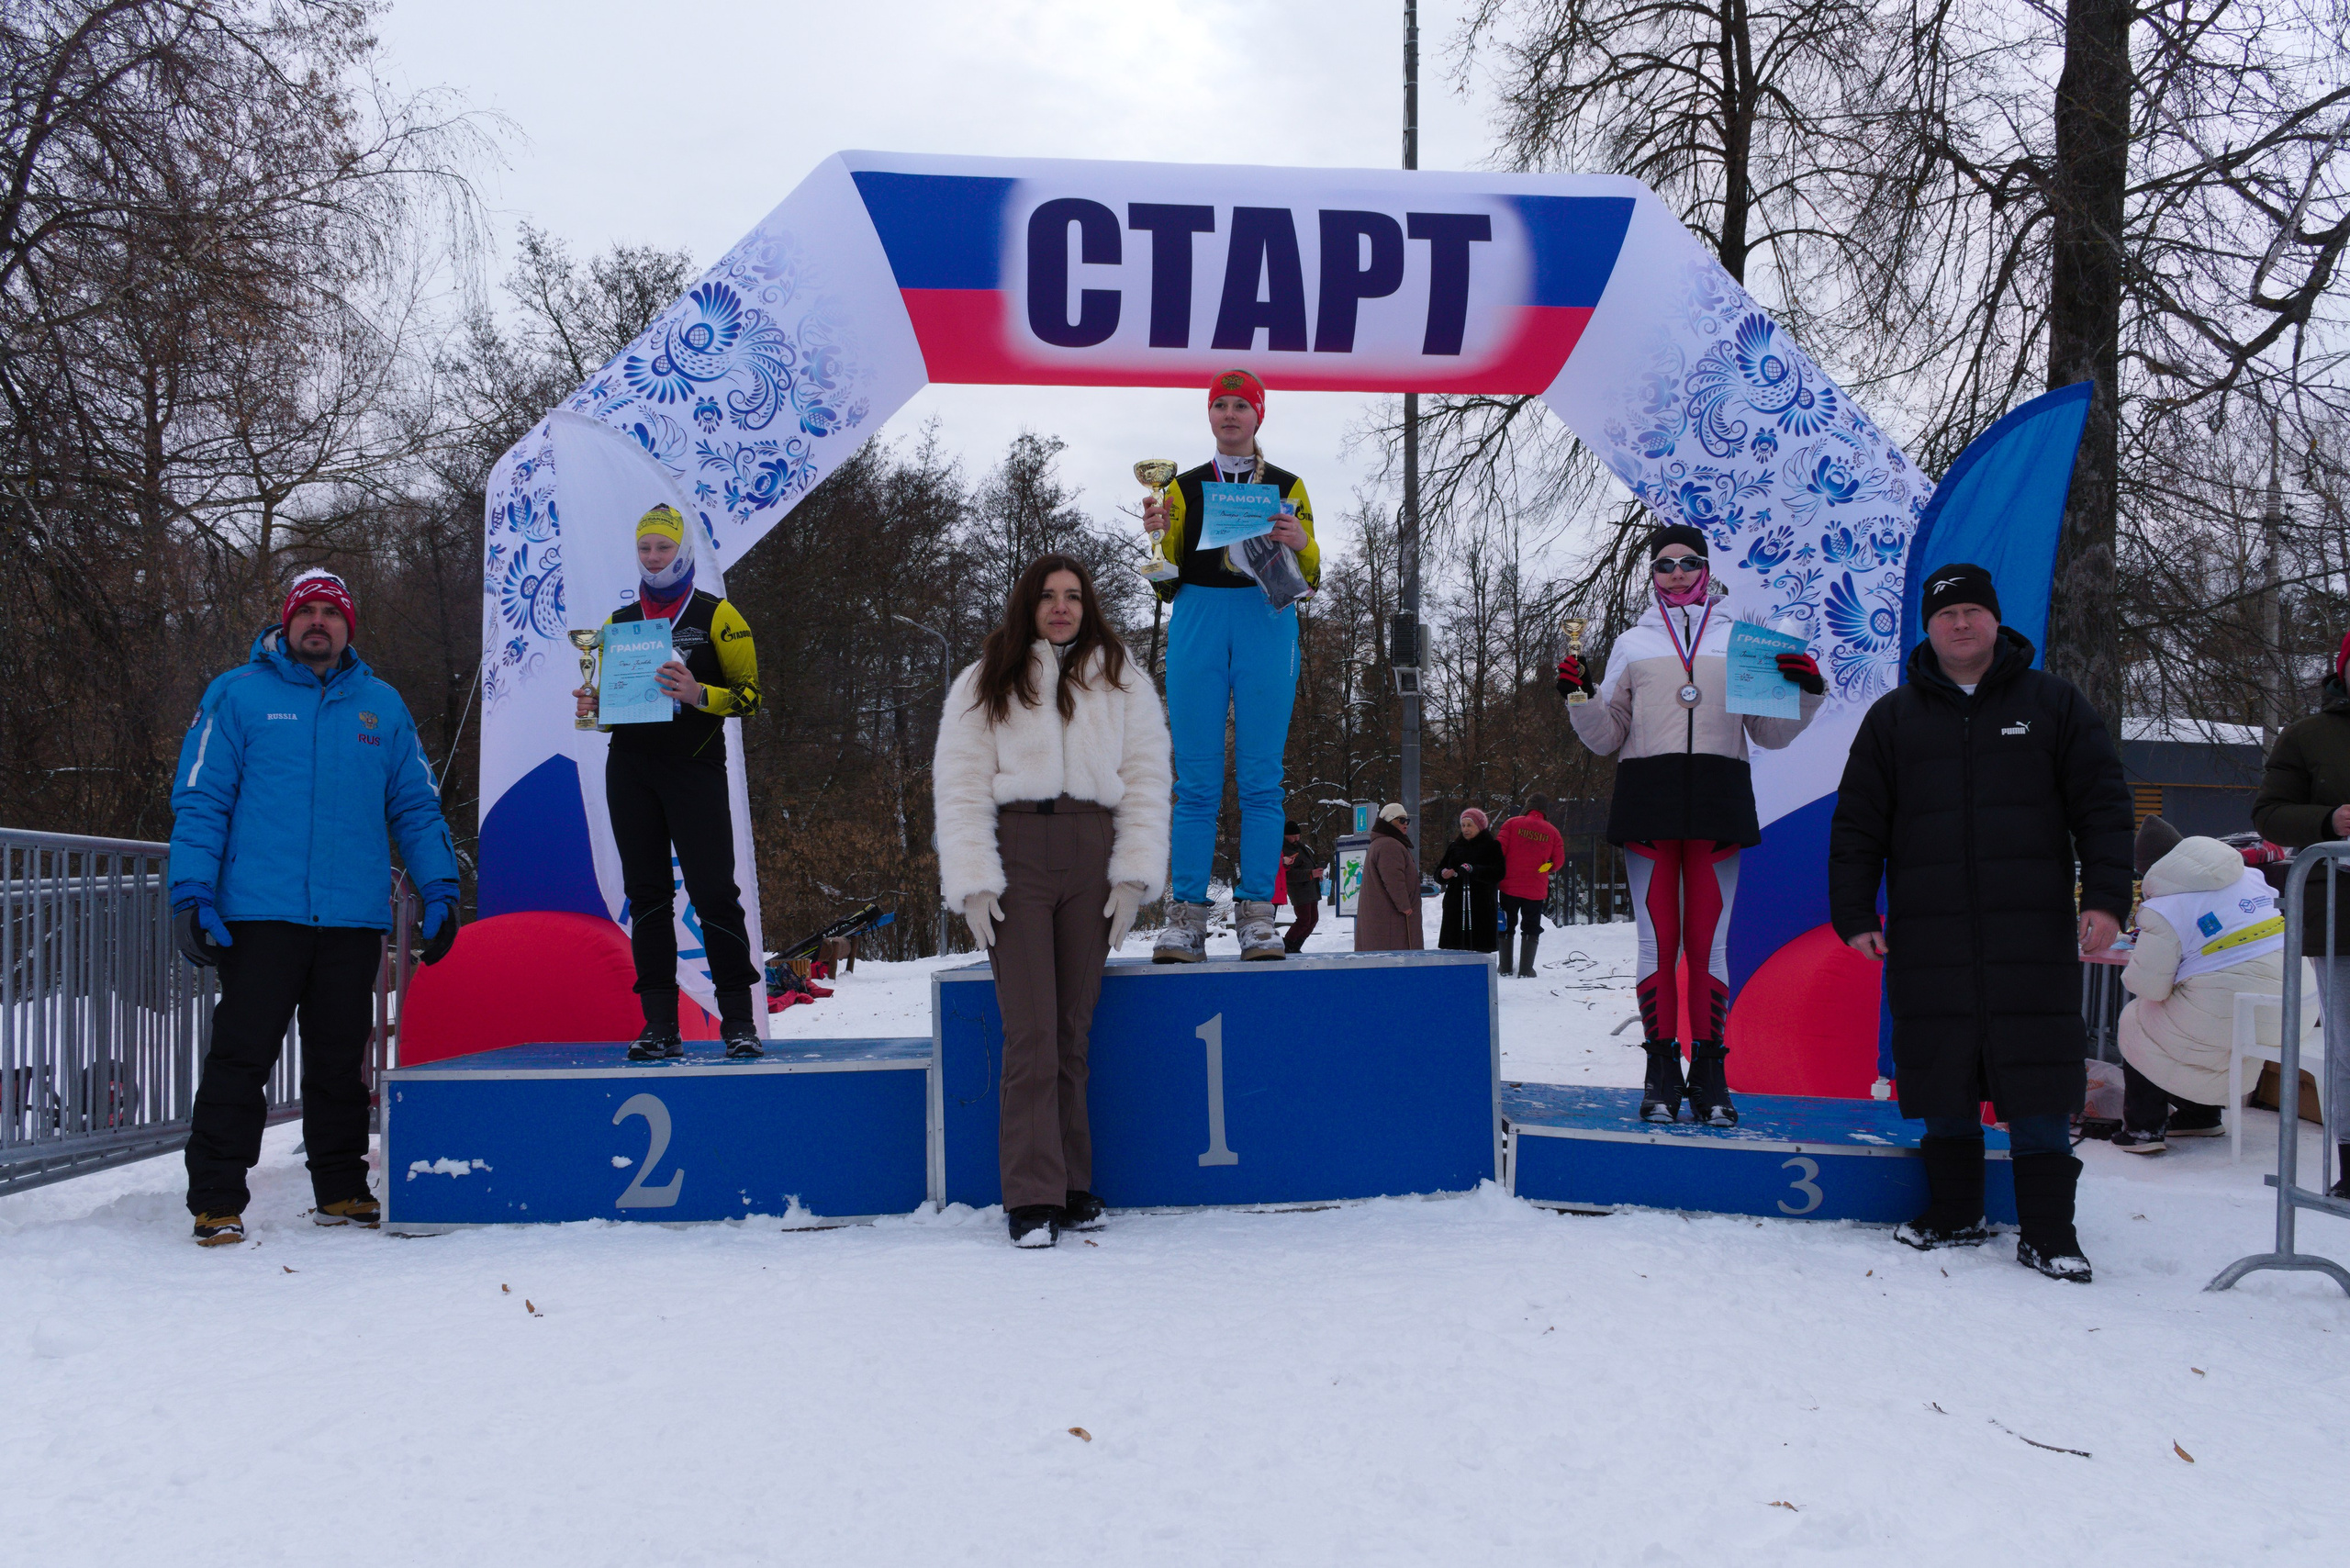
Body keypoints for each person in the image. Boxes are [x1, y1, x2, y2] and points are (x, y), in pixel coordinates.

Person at [1829, 562, 2132, 1282]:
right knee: (1942, 1070)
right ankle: (1955, 1212)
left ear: (1995, 620)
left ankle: (2050, 1232)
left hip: (2029, 930)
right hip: (1928, 931)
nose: (1959, 625)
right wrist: (1853, 912)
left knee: (2037, 1073)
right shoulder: (1894, 718)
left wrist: (2106, 899)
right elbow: (1856, 827)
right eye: (1945, 614)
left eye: (1972, 611)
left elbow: (2104, 807)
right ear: (1927, 628)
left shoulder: (2054, 704)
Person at [169, 569, 461, 1247]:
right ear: (287, 621)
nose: (319, 623)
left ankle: (341, 1187)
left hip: (352, 918)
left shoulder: (382, 707)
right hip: (259, 915)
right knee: (241, 1058)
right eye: (309, 612)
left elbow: (414, 806)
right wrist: (191, 893)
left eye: (332, 613)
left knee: (339, 1062)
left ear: (348, 626)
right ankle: (216, 1198)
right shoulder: (236, 696)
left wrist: (440, 889)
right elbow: (201, 800)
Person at [933, 554, 1171, 1248]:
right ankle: (1031, 1196)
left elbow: (1148, 774)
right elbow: (961, 780)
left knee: (1072, 1030)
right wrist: (975, 877)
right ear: (1027, 606)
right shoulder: (987, 679)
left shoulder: (1122, 677)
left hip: (1093, 850)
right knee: (1031, 1029)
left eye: (1073, 596)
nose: (1061, 607)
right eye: (1047, 597)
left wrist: (1132, 873)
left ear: (1087, 603)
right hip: (1018, 853)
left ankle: (1069, 1181)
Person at [1557, 523, 1825, 1126]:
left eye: (1688, 562)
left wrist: (1806, 693)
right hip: (1648, 801)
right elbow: (1607, 738)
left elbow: (1771, 733)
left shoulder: (1742, 640)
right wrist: (1580, 699)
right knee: (1657, 942)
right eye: (1664, 565)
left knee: (1710, 944)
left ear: (1707, 570)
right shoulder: (1631, 643)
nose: (1677, 574)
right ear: (1651, 575)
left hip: (1718, 802)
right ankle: (1659, 1071)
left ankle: (1710, 1072)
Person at [574, 504, 766, 1061]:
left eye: (663, 548)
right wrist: (594, 705)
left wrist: (698, 694)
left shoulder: (719, 616)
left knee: (713, 893)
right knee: (648, 897)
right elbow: (612, 708)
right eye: (645, 549)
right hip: (630, 768)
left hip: (694, 768)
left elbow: (751, 697)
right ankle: (660, 1024)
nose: (654, 558)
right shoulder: (616, 624)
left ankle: (738, 1022)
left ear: (682, 553)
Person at [1143, 368, 1319, 963]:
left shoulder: (1289, 485)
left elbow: (1312, 575)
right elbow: (1164, 578)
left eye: (1241, 405)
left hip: (1266, 620)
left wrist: (1300, 543)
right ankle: (1185, 917)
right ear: (1209, 416)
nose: (1229, 413)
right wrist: (1158, 536)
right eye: (1220, 404)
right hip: (1196, 616)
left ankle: (1257, 917)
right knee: (1195, 781)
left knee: (1262, 778)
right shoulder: (1183, 487)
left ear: (1259, 416)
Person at [2113, 825, 2301, 1153]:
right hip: (2294, 1003)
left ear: (2150, 869)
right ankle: (2199, 1115)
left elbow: (2149, 987)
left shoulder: (2165, 908)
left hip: (2236, 1008)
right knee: (2194, 1018)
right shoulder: (2248, 876)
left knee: (2138, 1019)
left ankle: (2144, 1130)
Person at [2252, 626, 2350, 1198]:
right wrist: (2329, 821)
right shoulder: (2310, 735)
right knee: (2347, 1044)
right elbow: (2269, 814)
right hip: (2341, 917)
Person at [1496, 796, 1565, 978]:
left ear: (1527, 807)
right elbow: (1558, 863)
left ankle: (1504, 967)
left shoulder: (1511, 824)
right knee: (1531, 926)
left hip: (1509, 886)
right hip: (1535, 889)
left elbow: (1498, 852)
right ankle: (1526, 969)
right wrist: (1543, 868)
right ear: (1545, 811)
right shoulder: (1553, 832)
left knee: (1506, 924)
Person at [1355, 803, 1424, 952]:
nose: (1406, 824)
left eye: (1407, 820)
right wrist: (1405, 906)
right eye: (1401, 820)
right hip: (1392, 920)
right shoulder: (1389, 845)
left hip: (1383, 916)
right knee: (1395, 964)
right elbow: (1393, 880)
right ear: (1389, 822)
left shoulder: (1382, 843)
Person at [1436, 809, 1505, 953]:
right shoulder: (1455, 847)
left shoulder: (1492, 846)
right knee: (1454, 951)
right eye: (1463, 825)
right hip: (1455, 908)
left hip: (1481, 908)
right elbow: (1438, 872)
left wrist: (1474, 870)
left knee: (1479, 951)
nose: (1465, 829)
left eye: (1469, 825)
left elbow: (1498, 872)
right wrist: (1444, 874)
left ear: (1479, 826)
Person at [1279, 820, 1325, 953]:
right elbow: (1288, 875)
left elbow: (1307, 864)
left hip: (1311, 888)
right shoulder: (1283, 850)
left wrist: (1317, 873)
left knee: (1313, 920)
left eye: (1298, 836)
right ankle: (1287, 945)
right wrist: (1311, 874)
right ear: (1286, 835)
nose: (1296, 839)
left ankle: (1296, 946)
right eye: (1293, 836)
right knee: (1304, 920)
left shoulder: (1300, 847)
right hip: (1299, 890)